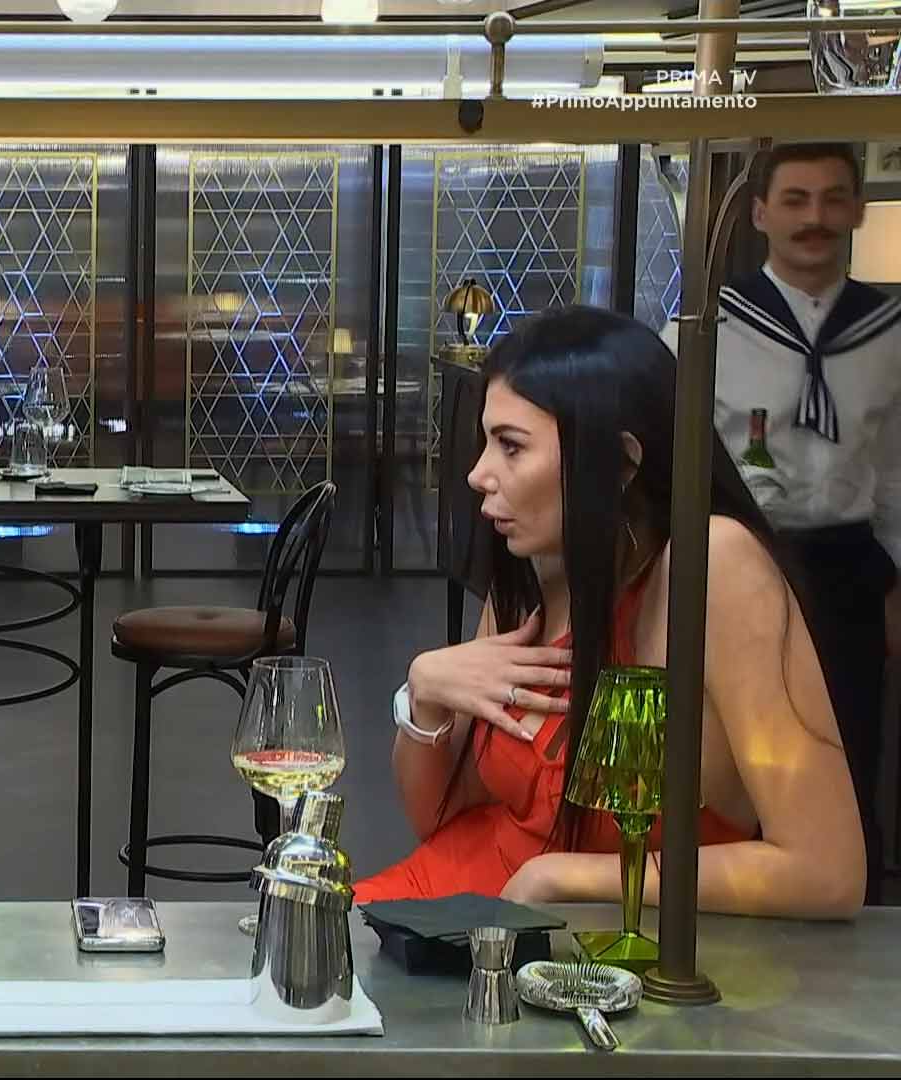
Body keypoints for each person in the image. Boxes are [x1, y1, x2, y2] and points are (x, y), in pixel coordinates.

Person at [359, 306, 865, 919]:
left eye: (511, 447)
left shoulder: (713, 568)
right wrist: (424, 698)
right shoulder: (540, 569)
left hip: (562, 941)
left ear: (621, 463)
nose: (478, 474)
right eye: (486, 442)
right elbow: (437, 819)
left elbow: (826, 871)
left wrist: (567, 877)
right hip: (446, 914)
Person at [663, 142, 900, 902]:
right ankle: (732, 899)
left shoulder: (889, 332)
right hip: (741, 564)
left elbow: (897, 471)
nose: (815, 218)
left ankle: (845, 906)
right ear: (761, 214)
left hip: (848, 571)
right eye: (796, 200)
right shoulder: (708, 327)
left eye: (833, 198)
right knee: (740, 752)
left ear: (858, 209)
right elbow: (673, 459)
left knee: (846, 745)